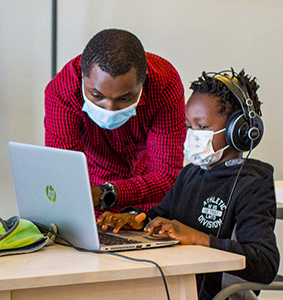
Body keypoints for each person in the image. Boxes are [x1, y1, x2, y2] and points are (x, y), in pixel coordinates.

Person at [97, 69, 280, 299]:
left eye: (202, 127)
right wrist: (135, 219)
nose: (193, 135)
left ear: (238, 130)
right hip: (177, 287)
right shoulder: (190, 175)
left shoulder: (252, 183)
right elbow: (159, 214)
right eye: (189, 127)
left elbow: (265, 263)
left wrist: (198, 238)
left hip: (220, 295)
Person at [44, 29, 185, 219]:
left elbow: (166, 175)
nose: (110, 108)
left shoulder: (164, 83)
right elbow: (66, 176)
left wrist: (107, 193)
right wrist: (93, 196)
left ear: (142, 82)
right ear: (83, 76)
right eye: (97, 95)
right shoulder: (62, 92)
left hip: (150, 209)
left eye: (125, 97)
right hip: (92, 206)